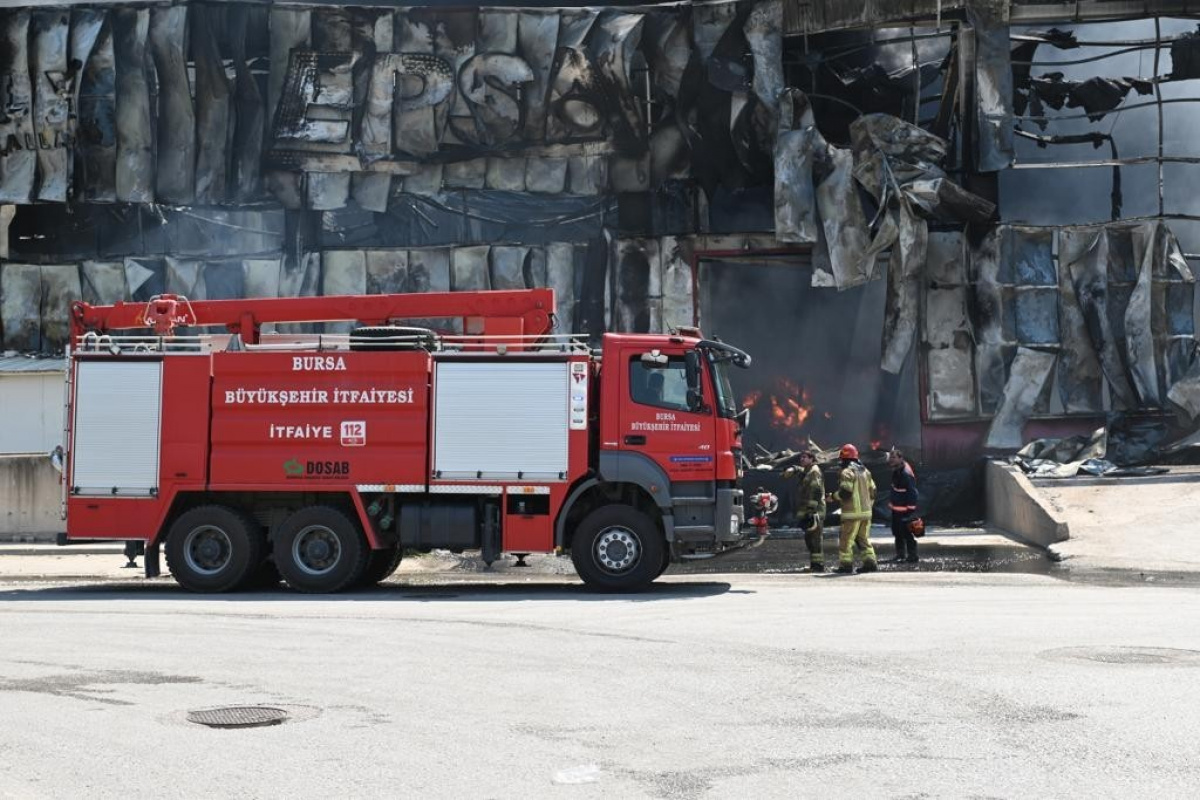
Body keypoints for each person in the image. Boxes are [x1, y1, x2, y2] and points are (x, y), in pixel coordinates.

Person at [828, 443, 877, 574]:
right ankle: (870, 563)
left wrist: (833, 496)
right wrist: (868, 506)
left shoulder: (847, 472)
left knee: (846, 540)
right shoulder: (866, 472)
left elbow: (846, 492)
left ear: (843, 459)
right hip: (866, 514)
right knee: (863, 539)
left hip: (851, 514)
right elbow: (874, 491)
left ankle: (846, 565)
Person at [785, 449, 826, 573]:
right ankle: (814, 564)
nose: (802, 459)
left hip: (815, 512)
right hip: (809, 511)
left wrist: (811, 510)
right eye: (801, 457)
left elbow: (816, 491)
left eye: (805, 457)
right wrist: (794, 469)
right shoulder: (807, 471)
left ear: (812, 459)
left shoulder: (814, 472)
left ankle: (818, 565)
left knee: (815, 539)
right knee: (810, 539)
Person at [887, 447, 920, 564]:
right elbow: (895, 489)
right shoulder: (897, 470)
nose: (891, 460)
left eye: (893, 458)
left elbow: (912, 492)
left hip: (905, 510)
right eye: (890, 457)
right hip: (897, 509)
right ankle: (900, 554)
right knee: (897, 532)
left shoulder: (906, 473)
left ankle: (912, 555)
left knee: (906, 532)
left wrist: (910, 511)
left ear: (901, 458)